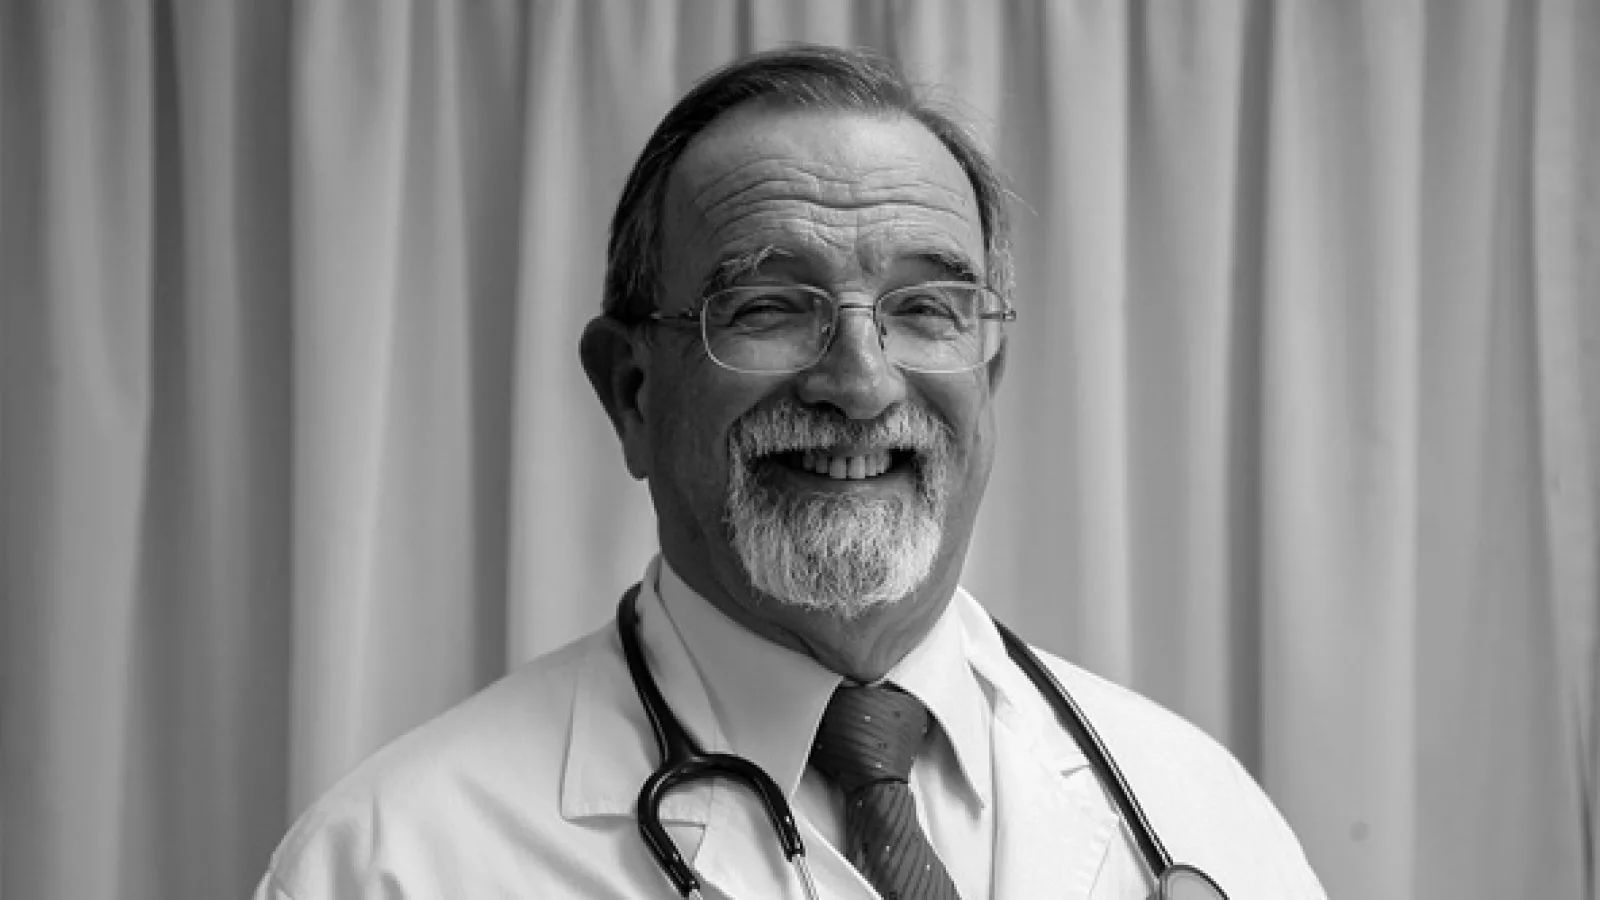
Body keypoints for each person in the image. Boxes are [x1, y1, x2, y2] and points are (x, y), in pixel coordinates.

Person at [254, 45, 1326, 899]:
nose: (860, 383)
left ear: (988, 373)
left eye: (926, 308)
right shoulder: (392, 863)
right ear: (631, 391)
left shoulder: (1198, 811)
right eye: (768, 306)